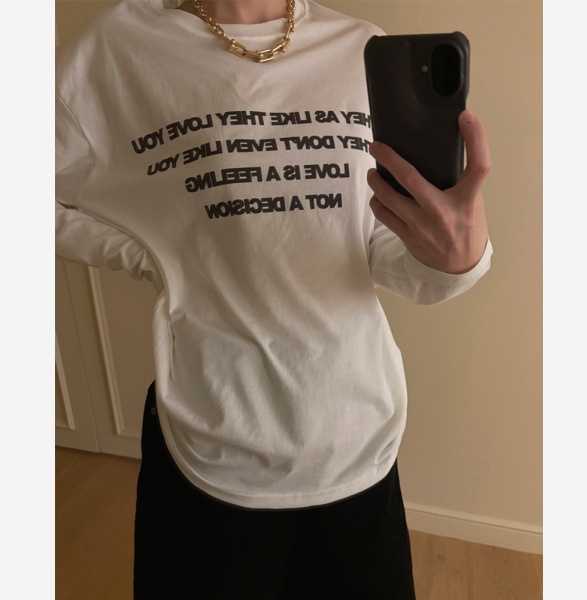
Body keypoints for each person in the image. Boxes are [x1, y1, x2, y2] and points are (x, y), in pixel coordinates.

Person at [55, 0, 492, 597]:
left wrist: (456, 258)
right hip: (213, 432)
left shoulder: (359, 47)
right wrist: (143, 251)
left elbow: (375, 246)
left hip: (357, 429)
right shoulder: (117, 49)